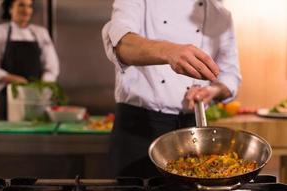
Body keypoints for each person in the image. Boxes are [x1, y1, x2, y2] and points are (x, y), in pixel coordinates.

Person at [102, 0, 242, 178]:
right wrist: (168, 51)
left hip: (192, 134)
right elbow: (121, 44)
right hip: (138, 131)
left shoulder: (220, 13)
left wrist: (212, 91)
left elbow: (231, 76)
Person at [0, 0, 59, 119]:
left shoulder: (41, 33)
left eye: (29, 6)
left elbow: (52, 67)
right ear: (10, 8)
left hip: (37, 99)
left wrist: (42, 86)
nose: (26, 10)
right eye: (21, 5)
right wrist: (13, 79)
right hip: (8, 98)